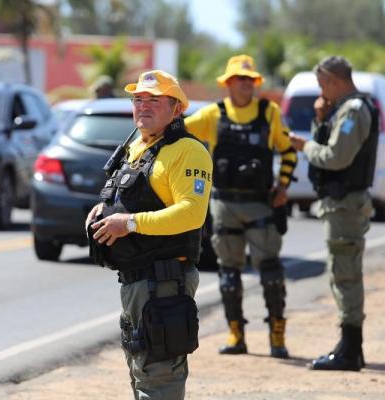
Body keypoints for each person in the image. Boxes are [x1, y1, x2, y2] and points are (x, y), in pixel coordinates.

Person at [85, 70, 212, 399]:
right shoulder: (139, 146)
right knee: (143, 372)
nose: (143, 106)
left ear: (177, 109)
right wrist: (103, 211)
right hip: (137, 282)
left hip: (164, 284)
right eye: (138, 99)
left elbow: (192, 213)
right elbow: (126, 195)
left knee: (159, 379)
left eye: (155, 100)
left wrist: (128, 223)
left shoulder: (187, 151)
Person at [184, 54, 298, 358]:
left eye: (250, 79)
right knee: (229, 275)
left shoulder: (269, 112)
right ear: (228, 84)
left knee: (271, 273)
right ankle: (236, 335)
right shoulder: (213, 114)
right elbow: (180, 133)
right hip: (224, 203)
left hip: (260, 203)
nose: (246, 84)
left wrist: (283, 187)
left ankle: (277, 335)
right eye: (239, 79)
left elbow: (288, 152)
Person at [289, 56, 378, 371]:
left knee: (345, 276)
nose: (320, 90)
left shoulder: (353, 110)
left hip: (345, 206)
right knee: (342, 274)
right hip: (339, 206)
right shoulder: (342, 109)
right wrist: (319, 118)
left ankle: (350, 351)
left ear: (334, 80)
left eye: (322, 83)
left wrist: (305, 146)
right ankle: (349, 346)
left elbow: (336, 157)